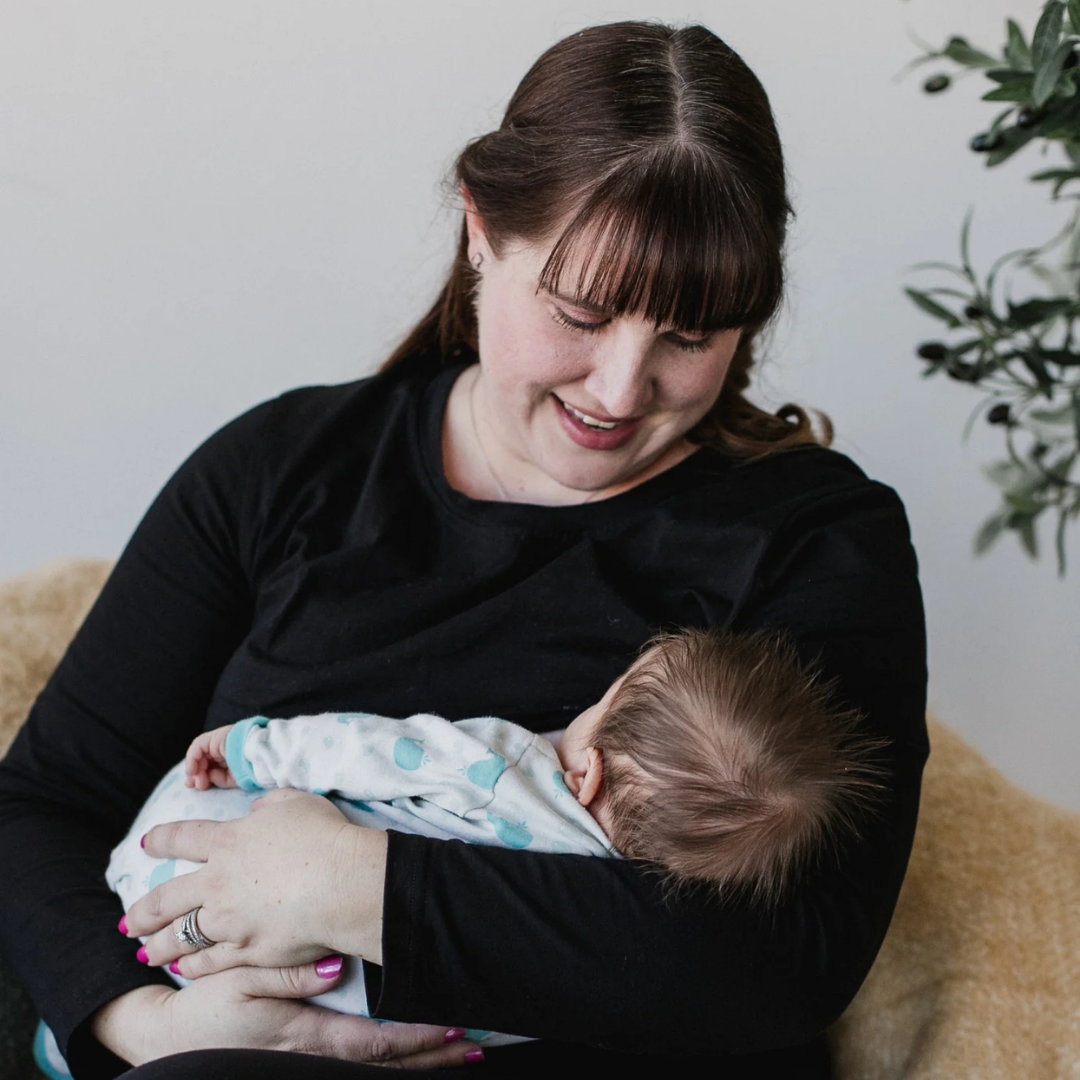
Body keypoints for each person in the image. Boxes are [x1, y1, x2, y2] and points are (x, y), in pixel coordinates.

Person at [0, 19, 928, 1080]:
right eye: (581, 312)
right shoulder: (282, 469)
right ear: (482, 233)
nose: (622, 393)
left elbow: (787, 954)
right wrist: (139, 1027)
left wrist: (350, 887)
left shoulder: (814, 538)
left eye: (689, 337)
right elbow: (45, 805)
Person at [100, 627, 885, 1052]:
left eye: (607, 698)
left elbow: (360, 746)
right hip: (339, 1014)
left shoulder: (502, 763)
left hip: (192, 867)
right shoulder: (596, 930)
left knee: (231, 800)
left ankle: (85, 1034)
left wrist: (247, 748)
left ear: (586, 777)